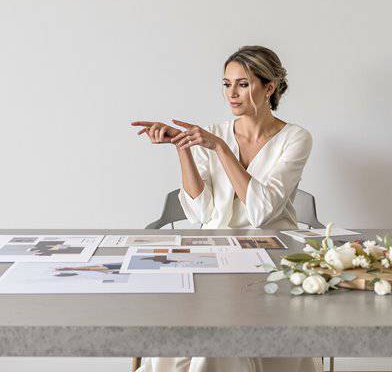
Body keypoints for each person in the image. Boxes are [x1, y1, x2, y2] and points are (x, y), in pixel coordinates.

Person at [130, 45, 319, 372]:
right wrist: (183, 148)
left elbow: (261, 213)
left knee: (217, 340)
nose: (231, 93)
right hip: (213, 253)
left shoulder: (295, 138)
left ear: (269, 87)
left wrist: (219, 149)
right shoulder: (211, 133)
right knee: (178, 327)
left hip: (270, 255)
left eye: (243, 84)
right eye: (226, 83)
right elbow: (200, 213)